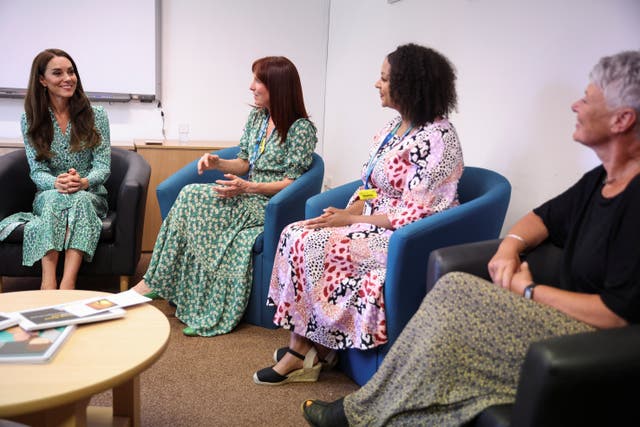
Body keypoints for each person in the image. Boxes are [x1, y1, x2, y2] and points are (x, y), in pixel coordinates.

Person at [300, 49, 640, 426]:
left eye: (588, 99)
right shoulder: (601, 180)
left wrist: (528, 292)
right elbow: (540, 218)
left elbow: (617, 314)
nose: (575, 105)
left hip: (594, 336)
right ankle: (364, 407)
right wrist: (511, 246)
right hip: (557, 310)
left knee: (453, 316)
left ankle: (359, 414)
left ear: (623, 119)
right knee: (454, 288)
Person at [253, 44, 464, 386]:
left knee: (317, 245)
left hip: (404, 236)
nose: (376, 84)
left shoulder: (437, 139)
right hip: (370, 221)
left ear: (410, 85)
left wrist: (351, 221)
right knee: (296, 231)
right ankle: (314, 345)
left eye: (383, 78)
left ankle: (299, 352)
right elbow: (371, 187)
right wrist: (348, 209)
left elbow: (414, 212)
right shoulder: (392, 129)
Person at [131, 56, 317, 337]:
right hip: (245, 193)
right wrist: (217, 162)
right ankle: (159, 280)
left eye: (258, 81)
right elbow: (244, 163)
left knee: (193, 200)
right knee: (189, 195)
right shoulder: (258, 117)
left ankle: (158, 281)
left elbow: (292, 182)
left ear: (277, 87)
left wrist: (248, 188)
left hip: (267, 204)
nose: (251, 86)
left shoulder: (300, 129)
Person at [0, 49, 111, 290]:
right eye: (58, 73)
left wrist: (83, 182)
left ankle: (67, 284)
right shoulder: (31, 118)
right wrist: (56, 183)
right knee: (54, 199)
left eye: (71, 72)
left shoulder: (97, 115)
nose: (68, 78)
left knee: (79, 200)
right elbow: (36, 170)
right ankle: (48, 283)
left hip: (90, 193)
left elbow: (103, 167)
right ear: (42, 80)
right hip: (49, 192)